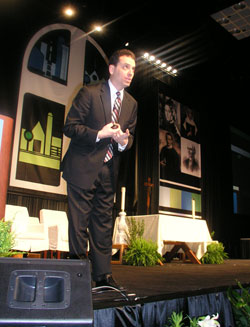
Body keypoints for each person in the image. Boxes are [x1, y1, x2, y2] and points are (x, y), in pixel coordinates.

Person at [61, 49, 137, 290]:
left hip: (108, 170)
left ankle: (102, 277)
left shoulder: (132, 103)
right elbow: (70, 127)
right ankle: (78, 277)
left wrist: (124, 142)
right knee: (78, 223)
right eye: (125, 67)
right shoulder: (90, 93)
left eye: (133, 69)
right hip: (82, 167)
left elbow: (130, 136)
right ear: (112, 69)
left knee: (103, 224)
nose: (130, 73)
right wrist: (99, 134)